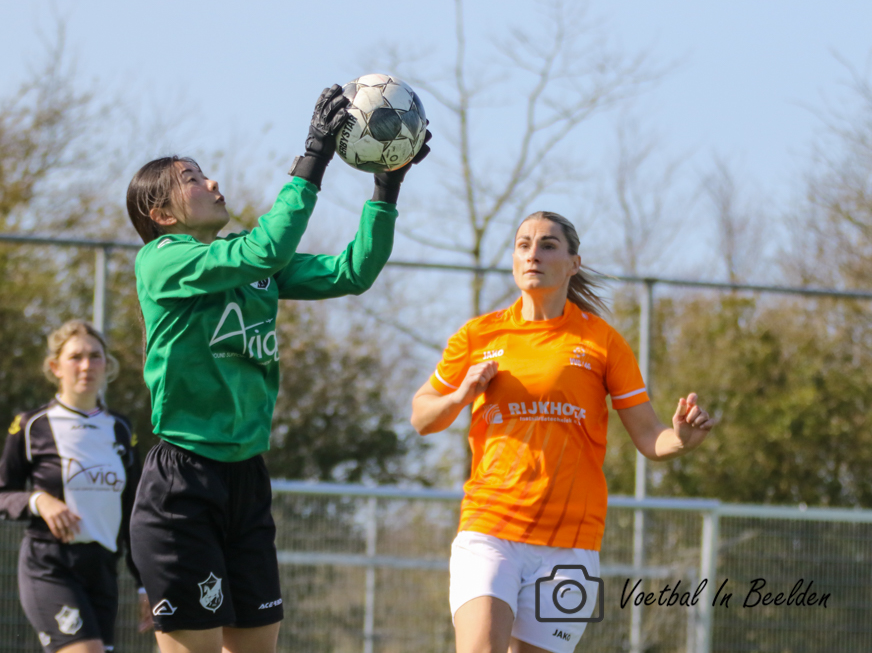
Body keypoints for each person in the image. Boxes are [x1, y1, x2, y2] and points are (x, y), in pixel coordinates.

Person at [124, 84, 429, 653]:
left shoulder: (245, 259)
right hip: (183, 483)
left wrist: (385, 190)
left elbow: (352, 272)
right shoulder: (161, 261)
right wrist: (312, 158)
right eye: (192, 179)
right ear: (161, 213)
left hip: (246, 480)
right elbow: (265, 249)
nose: (212, 182)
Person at [410, 212, 715, 653]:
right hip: (490, 529)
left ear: (574, 263)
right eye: (523, 244)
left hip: (572, 546)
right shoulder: (478, 336)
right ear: (514, 259)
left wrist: (682, 438)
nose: (533, 254)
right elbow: (422, 417)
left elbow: (651, 437)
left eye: (548, 245)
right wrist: (460, 396)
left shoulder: (602, 342)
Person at [0, 320, 151, 653]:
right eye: (76, 357)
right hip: (50, 565)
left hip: (103, 569)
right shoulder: (31, 425)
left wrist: (144, 584)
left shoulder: (121, 428)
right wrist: (39, 501)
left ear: (107, 365)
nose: (86, 365)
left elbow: (135, 512)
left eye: (95, 356)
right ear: (55, 367)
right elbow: (0, 495)